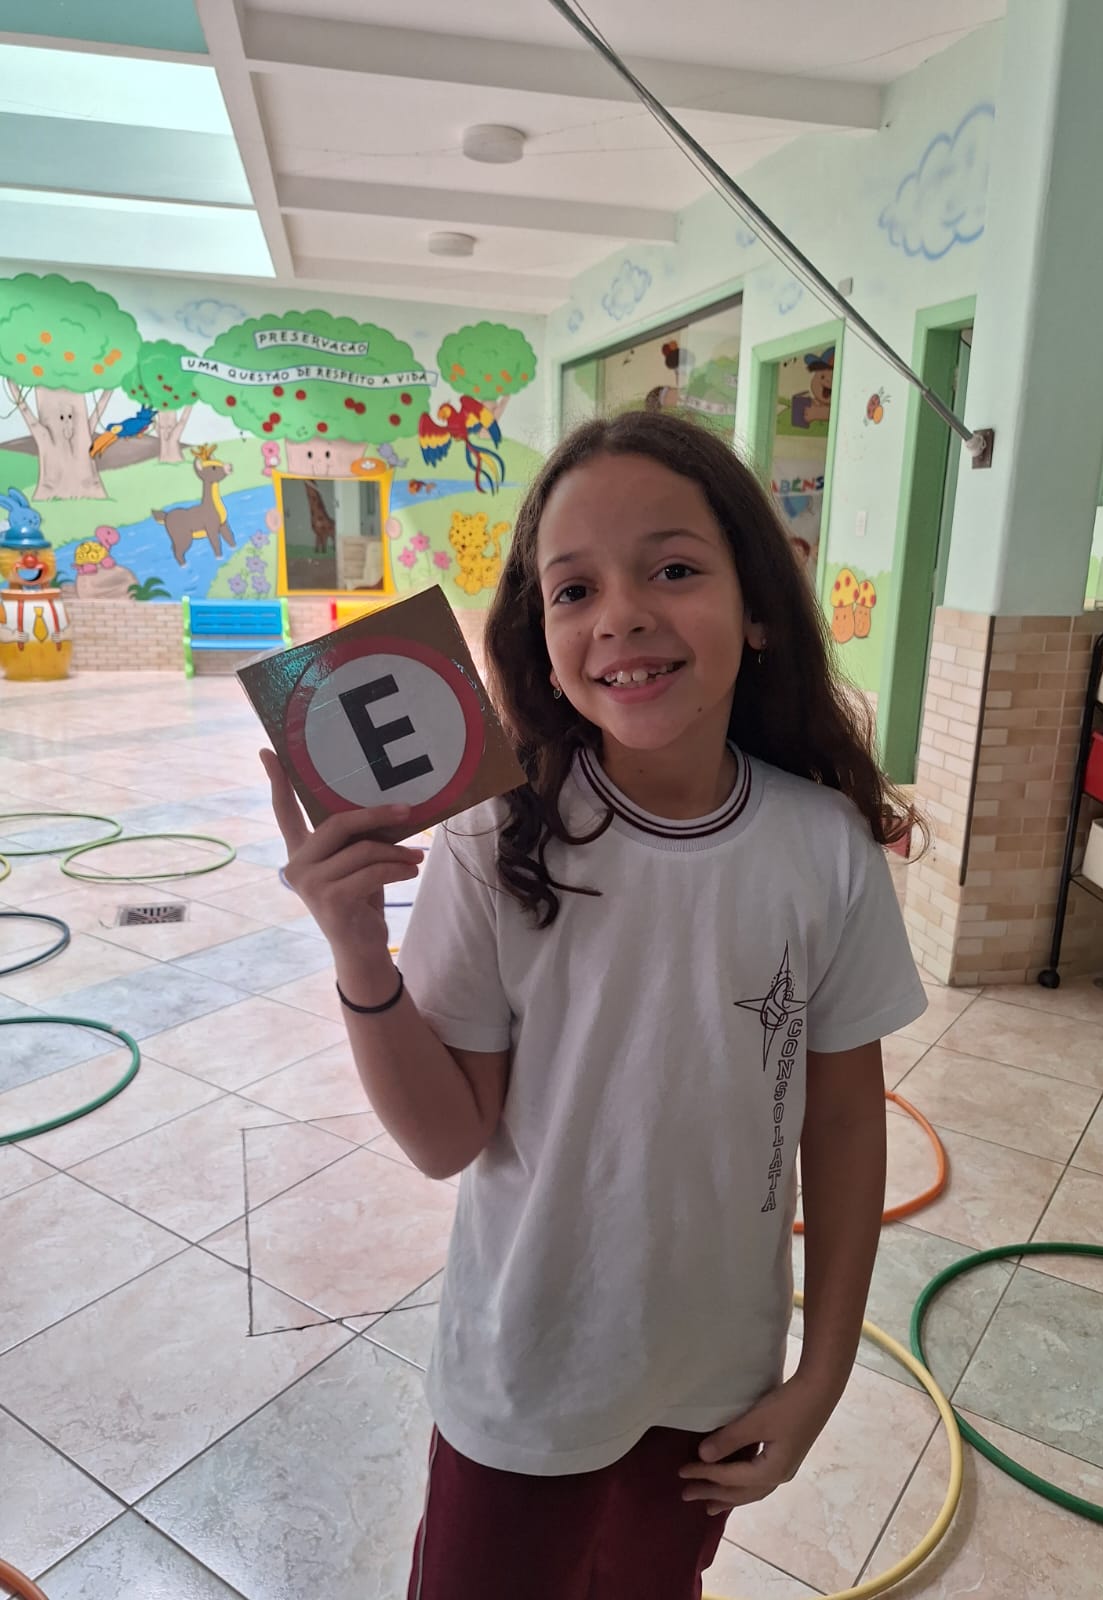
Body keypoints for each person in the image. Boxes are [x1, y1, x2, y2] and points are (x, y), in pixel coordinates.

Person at [263, 410, 928, 1600]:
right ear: (542, 635)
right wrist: (362, 955)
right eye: (574, 590)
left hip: (713, 1382)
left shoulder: (824, 845)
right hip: (527, 1380)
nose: (620, 614)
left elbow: (841, 1120)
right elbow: (445, 1139)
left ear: (758, 608)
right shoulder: (495, 836)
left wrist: (823, 1371)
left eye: (673, 569)